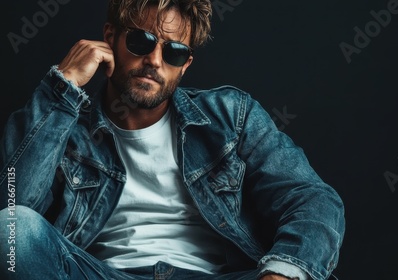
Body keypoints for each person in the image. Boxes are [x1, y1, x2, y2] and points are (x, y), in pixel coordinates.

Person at [0, 0, 345, 279]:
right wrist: (64, 86)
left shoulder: (231, 116)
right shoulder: (64, 126)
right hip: (102, 274)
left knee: (307, 271)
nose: (154, 61)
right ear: (110, 38)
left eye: (174, 52)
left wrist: (281, 274)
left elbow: (311, 198)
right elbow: (12, 206)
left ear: (185, 65)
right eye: (140, 41)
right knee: (11, 229)